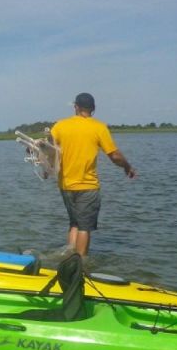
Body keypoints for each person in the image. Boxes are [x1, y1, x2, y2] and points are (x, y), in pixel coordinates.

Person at [50, 92, 136, 256]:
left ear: (76, 107)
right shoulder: (98, 127)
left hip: (66, 185)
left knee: (74, 223)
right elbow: (115, 156)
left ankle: (69, 258)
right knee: (84, 227)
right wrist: (127, 167)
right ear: (93, 109)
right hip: (88, 186)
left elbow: (47, 148)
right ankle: (80, 263)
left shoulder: (60, 126)